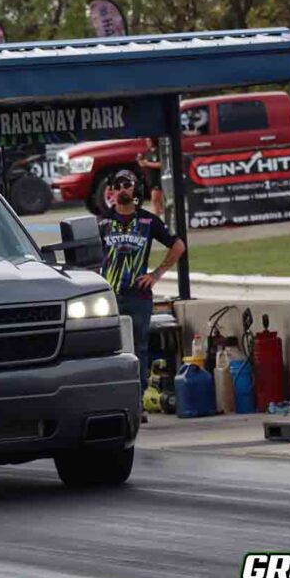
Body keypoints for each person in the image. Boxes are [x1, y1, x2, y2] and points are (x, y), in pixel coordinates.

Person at [98, 171, 185, 410]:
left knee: (140, 348)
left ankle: (137, 402)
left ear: (135, 190)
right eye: (119, 185)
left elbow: (178, 245)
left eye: (128, 185)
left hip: (139, 296)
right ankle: (113, 401)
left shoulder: (148, 221)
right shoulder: (102, 222)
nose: (124, 189)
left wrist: (156, 274)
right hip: (109, 297)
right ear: (112, 191)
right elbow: (85, 253)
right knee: (108, 348)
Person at [136, 137, 165, 216]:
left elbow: (161, 164)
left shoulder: (159, 151)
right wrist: (139, 160)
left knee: (154, 200)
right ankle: (160, 216)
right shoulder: (148, 152)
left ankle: (154, 217)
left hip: (157, 179)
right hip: (150, 180)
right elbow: (143, 164)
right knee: (159, 202)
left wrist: (147, 164)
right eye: (146, 141)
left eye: (148, 141)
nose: (147, 142)